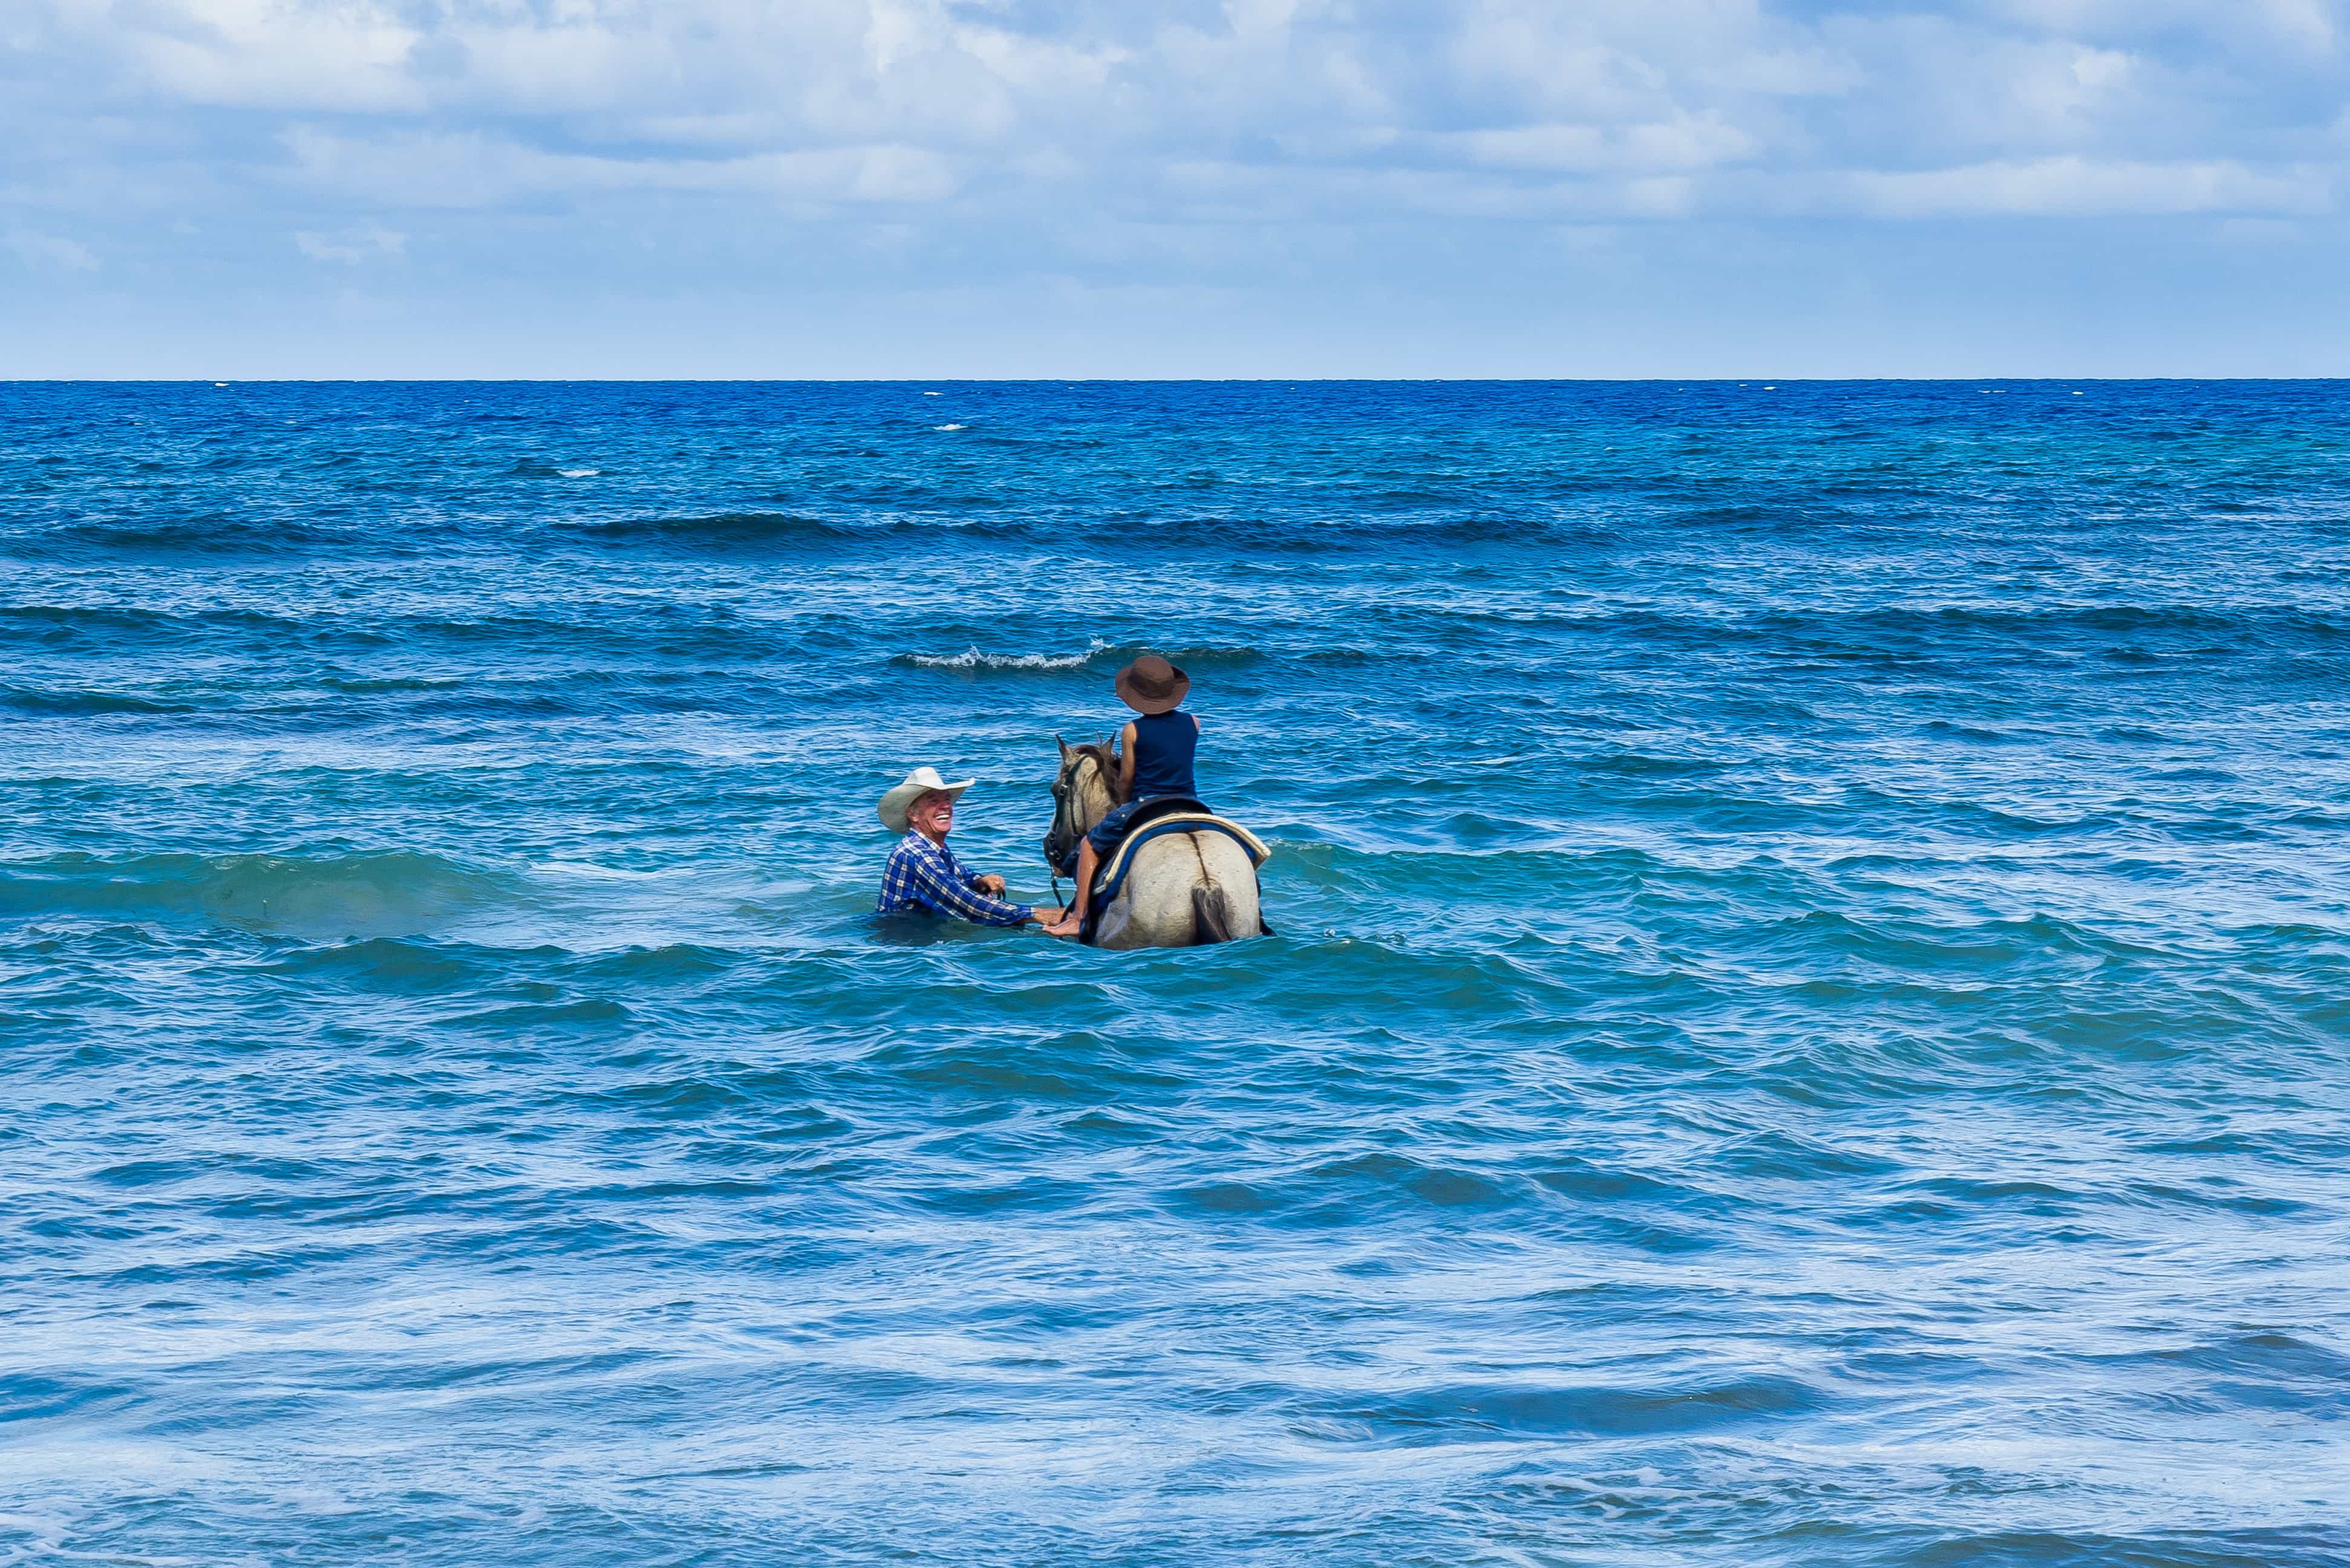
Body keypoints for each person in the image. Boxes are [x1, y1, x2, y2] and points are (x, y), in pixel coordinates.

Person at [1042, 655, 1201, 938]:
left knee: (1090, 844)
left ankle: (1079, 918)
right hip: (1190, 804)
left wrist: (1125, 801)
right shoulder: (1194, 722)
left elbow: (1127, 778)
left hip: (1148, 805)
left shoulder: (1133, 730)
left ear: (1137, 696)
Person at [875, 766, 1062, 932]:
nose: (946, 806)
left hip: (916, 933)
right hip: (901, 940)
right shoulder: (917, 854)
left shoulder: (932, 847)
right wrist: (1038, 914)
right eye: (933, 801)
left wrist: (979, 881)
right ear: (914, 814)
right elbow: (965, 901)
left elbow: (958, 875)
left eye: (947, 799)